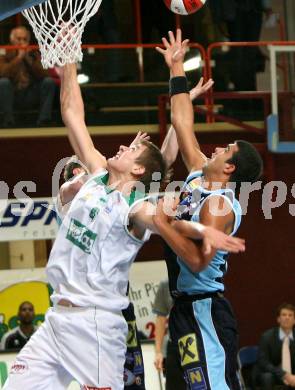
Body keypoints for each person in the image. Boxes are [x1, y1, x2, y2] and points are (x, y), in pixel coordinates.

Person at [3, 50, 245, 389]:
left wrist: (201, 228)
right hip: (57, 319)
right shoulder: (95, 176)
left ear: (138, 170)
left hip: (96, 327)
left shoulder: (134, 206)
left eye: (130, 151)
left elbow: (159, 215)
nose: (121, 146)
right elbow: (72, 113)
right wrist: (69, 57)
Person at [154, 29, 264, 390]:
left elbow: (200, 261)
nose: (218, 148)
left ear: (230, 168)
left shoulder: (219, 205)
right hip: (185, 307)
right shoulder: (200, 174)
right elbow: (182, 123)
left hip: (205, 309)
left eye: (227, 148)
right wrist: (176, 69)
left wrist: (165, 223)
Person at [0, 25, 56, 127]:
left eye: (24, 39)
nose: (22, 42)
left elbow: (45, 74)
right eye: (18, 39)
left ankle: (44, 120)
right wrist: (19, 58)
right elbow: (3, 73)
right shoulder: (4, 52)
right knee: (3, 82)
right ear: (12, 40)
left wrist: (28, 59)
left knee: (48, 82)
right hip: (13, 94)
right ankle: (8, 121)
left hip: (31, 94)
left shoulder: (33, 53)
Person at [153, 279, 186, 390]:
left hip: (198, 343)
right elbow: (161, 319)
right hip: (174, 346)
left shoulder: (199, 280)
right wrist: (158, 352)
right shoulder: (165, 285)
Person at [254, 303, 295, 389]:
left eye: (290, 315)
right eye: (284, 315)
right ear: (278, 319)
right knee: (267, 377)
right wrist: (284, 374)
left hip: (292, 375)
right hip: (273, 374)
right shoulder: (267, 337)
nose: (287, 317)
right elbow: (263, 363)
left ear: (294, 320)